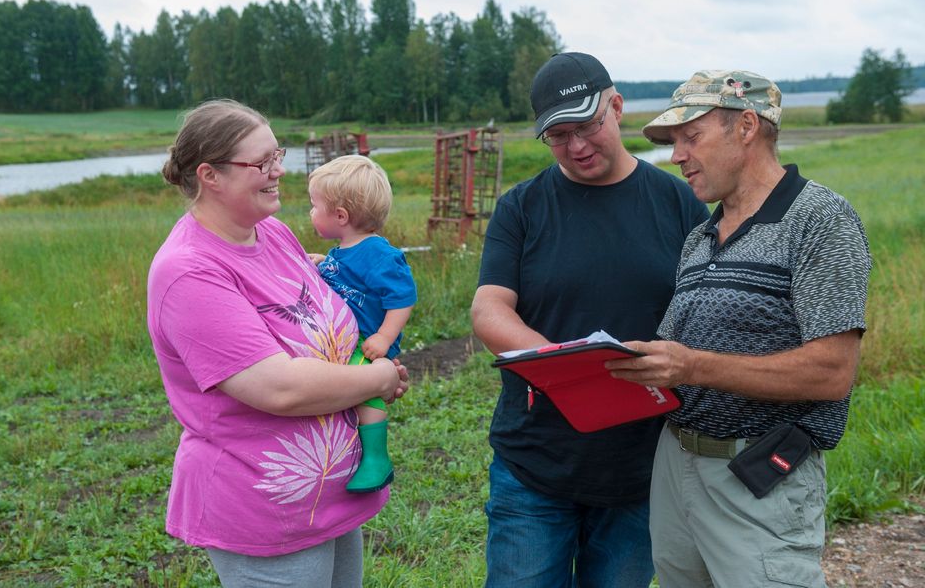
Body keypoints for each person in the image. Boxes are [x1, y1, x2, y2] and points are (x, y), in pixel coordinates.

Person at [608, 70, 872, 588]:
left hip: (758, 477)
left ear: (746, 126)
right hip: (676, 468)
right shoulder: (700, 237)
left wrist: (692, 366)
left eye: (691, 137)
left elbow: (832, 373)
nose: (677, 155)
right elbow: (678, 360)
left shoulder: (821, 219)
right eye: (673, 143)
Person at [146, 99, 409, 587]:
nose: (278, 171)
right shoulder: (189, 272)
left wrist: (370, 359)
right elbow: (277, 388)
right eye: (262, 162)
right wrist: (376, 377)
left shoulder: (273, 234)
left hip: (329, 497)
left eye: (278, 155)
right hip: (262, 510)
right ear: (211, 176)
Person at [470, 52, 709, 587]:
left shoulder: (680, 205)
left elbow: (706, 314)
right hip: (534, 463)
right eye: (558, 136)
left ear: (617, 107)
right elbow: (489, 309)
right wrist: (568, 370)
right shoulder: (522, 207)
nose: (576, 147)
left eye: (588, 126)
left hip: (641, 468)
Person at [306, 155, 417, 494]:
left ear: (340, 216)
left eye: (314, 206)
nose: (310, 212)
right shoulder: (343, 249)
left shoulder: (381, 255)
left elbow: (403, 298)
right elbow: (346, 278)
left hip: (368, 340)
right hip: (349, 337)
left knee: (365, 390)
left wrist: (384, 337)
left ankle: (376, 459)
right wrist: (324, 263)